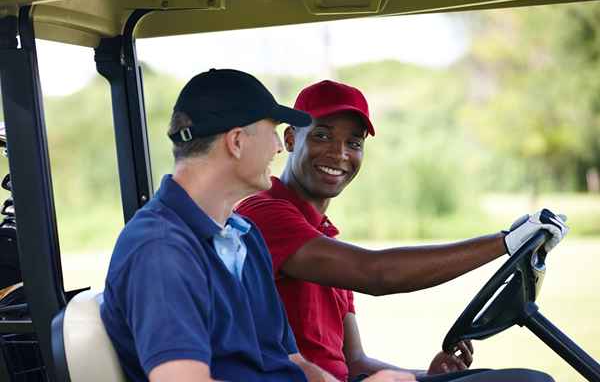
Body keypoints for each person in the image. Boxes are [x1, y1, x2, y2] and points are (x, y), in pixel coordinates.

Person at [236, 80, 569, 382]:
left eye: (353, 143)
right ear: (292, 138)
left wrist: (429, 374)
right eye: (322, 135)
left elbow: (354, 363)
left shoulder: (325, 240)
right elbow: (377, 274)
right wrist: (504, 243)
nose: (339, 154)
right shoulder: (263, 212)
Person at [100, 70, 417, 382]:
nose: (279, 147)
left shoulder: (244, 237)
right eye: (273, 131)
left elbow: (293, 363)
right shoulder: (161, 248)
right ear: (237, 141)